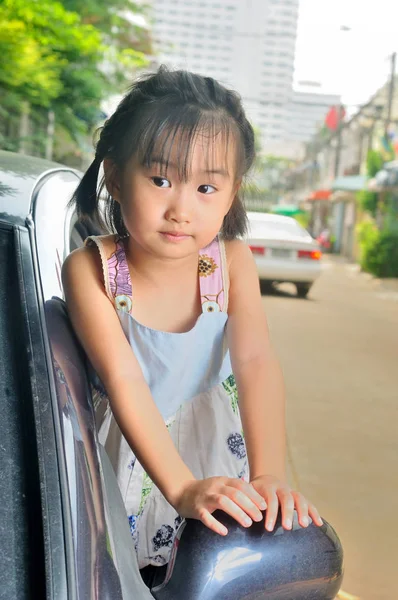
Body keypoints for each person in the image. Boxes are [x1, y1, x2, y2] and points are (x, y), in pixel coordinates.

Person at [62, 66, 323, 585]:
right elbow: (124, 378)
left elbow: (254, 363)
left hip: (216, 453)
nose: (181, 209)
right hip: (130, 459)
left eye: (206, 187)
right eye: (160, 180)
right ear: (114, 176)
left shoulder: (231, 264)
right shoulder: (92, 269)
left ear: (232, 194)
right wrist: (180, 488)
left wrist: (269, 474)